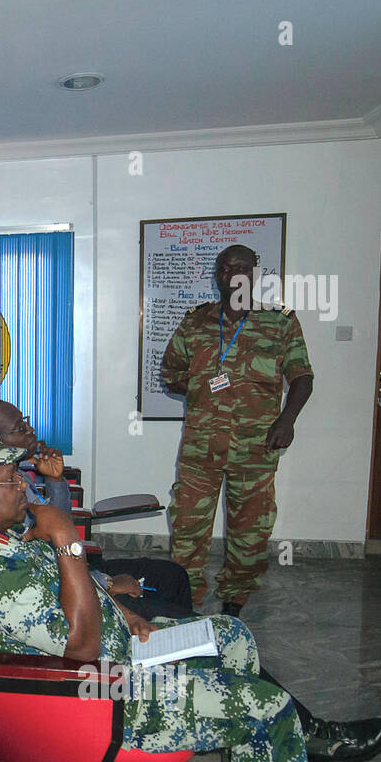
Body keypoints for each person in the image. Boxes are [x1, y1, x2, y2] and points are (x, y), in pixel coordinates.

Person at [0, 429, 381, 762]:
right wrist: (67, 539)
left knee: (231, 635)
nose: (21, 483)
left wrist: (123, 611)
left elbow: (65, 593)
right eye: (9, 477)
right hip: (100, 693)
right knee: (265, 707)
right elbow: (81, 649)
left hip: (120, 652)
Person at [160, 244, 314, 616]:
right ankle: (187, 597)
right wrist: (201, 387)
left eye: (242, 266)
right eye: (226, 268)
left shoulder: (280, 321)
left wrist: (286, 420)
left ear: (255, 273)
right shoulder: (195, 321)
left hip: (256, 447)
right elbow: (170, 375)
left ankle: (235, 598)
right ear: (218, 275)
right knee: (188, 527)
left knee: (250, 528)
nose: (233, 273)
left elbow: (303, 377)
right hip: (201, 447)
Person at [0, 399, 194, 620]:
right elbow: (41, 570)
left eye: (26, 421)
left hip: (73, 567)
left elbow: (60, 524)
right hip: (69, 589)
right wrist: (107, 583)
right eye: (21, 428)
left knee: (173, 576)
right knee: (179, 618)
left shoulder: (19, 475)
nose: (31, 429)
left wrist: (55, 479)